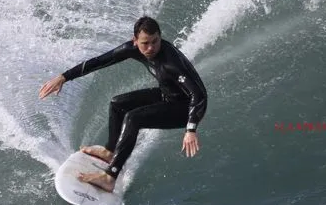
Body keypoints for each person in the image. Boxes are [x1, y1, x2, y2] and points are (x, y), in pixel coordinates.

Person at [39, 16, 208, 192]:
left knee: (133, 118)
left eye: (155, 41)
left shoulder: (171, 63)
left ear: (160, 36)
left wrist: (190, 129)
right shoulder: (133, 49)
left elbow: (199, 95)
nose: (151, 48)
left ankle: (110, 177)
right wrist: (63, 77)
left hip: (187, 109)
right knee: (117, 103)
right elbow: (100, 61)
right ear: (134, 41)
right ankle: (110, 151)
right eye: (145, 43)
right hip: (169, 95)